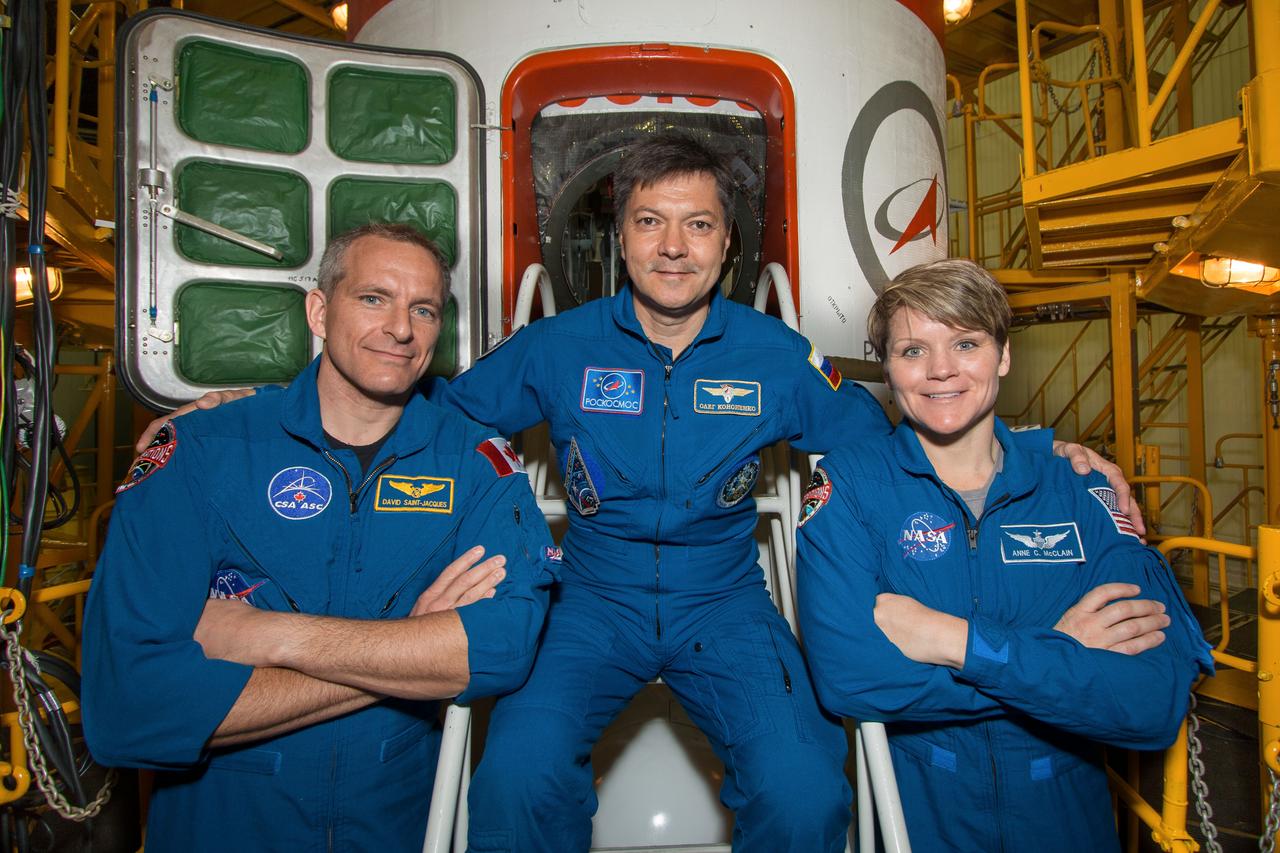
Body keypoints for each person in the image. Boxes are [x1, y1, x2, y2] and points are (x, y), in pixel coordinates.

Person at [136, 135, 1141, 852]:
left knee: (801, 789)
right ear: (618, 239)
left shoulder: (773, 354)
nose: (672, 246)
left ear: (726, 245)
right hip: (592, 597)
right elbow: (430, 407)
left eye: (696, 225)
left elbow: (893, 439)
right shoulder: (558, 345)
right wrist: (258, 406)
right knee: (516, 785)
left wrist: (1045, 450)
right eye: (649, 222)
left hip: (723, 597)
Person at [82, 224, 558, 853]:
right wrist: (412, 650)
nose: (400, 329)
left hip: (395, 826)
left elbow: (502, 647)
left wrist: (269, 636)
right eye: (372, 298)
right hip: (223, 828)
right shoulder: (202, 452)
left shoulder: (475, 462)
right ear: (318, 310)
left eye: (423, 309)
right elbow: (130, 708)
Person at [795, 258, 1213, 852]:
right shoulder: (850, 490)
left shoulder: (1080, 488)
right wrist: (1061, 651)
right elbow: (848, 678)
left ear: (1004, 356)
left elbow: (1149, 700)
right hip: (921, 819)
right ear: (888, 369)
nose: (941, 370)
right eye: (913, 351)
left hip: (1068, 819)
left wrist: (953, 640)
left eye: (966, 343)